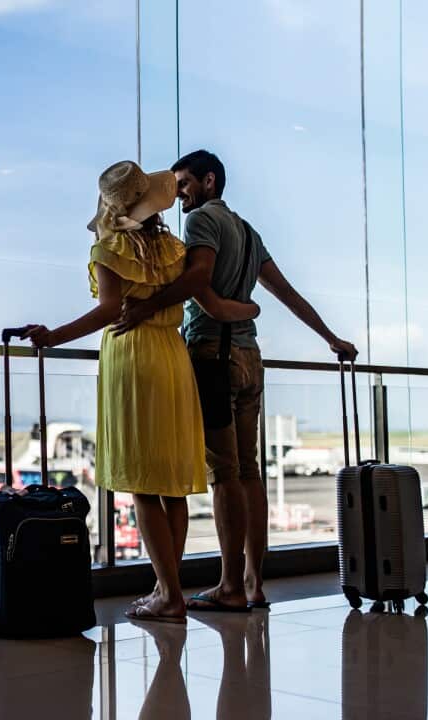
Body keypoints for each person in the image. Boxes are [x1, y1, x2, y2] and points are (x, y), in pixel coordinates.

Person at [111, 149, 358, 612]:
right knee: (249, 473)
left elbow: (200, 278)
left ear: (209, 181)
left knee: (225, 474)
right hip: (249, 356)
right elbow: (284, 291)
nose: (179, 193)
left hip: (212, 355)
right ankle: (253, 582)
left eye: (184, 183)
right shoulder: (247, 230)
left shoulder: (201, 220)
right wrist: (329, 336)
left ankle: (228, 586)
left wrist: (147, 306)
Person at [23, 160, 260, 624]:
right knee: (171, 486)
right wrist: (249, 307)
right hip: (173, 358)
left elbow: (108, 311)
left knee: (143, 486)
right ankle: (166, 586)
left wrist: (53, 335)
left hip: (132, 360)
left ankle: (168, 595)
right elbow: (206, 299)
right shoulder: (173, 248)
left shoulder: (109, 248)